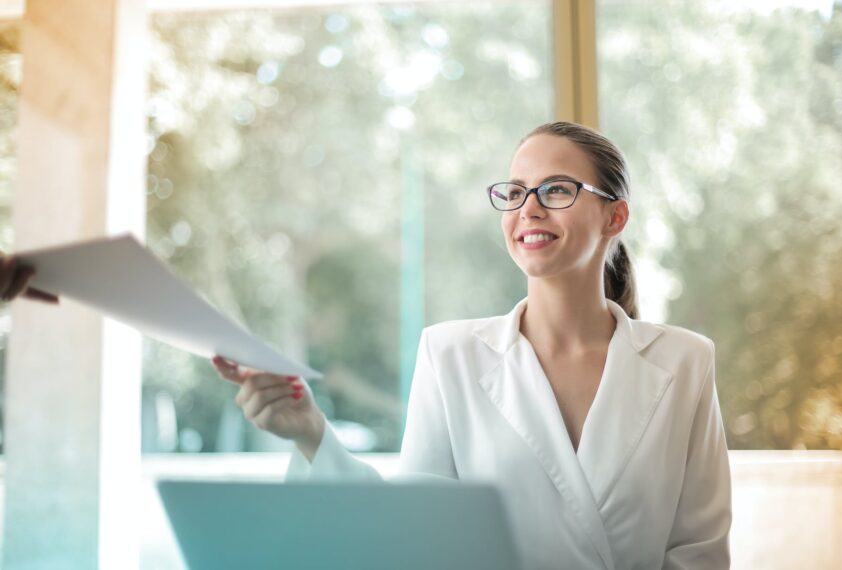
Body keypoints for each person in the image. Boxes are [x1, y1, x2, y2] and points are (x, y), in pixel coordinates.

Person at [221, 121, 731, 569]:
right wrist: (312, 435)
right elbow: (414, 536)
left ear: (614, 218)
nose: (528, 209)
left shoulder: (684, 361)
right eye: (514, 192)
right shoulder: (449, 355)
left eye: (556, 190)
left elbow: (698, 551)